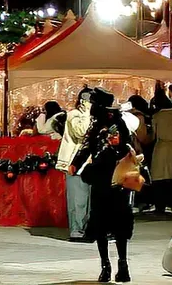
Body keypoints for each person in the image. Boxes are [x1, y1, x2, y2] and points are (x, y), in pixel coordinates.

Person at [85, 124, 137, 283]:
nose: (112, 138)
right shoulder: (121, 151)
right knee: (107, 232)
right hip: (110, 197)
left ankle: (119, 266)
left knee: (115, 233)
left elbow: (89, 174)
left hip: (111, 197)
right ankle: (109, 266)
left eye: (115, 136)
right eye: (110, 136)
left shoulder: (111, 152)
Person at [56, 88, 93, 241]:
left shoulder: (94, 117)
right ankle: (76, 230)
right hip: (75, 163)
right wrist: (86, 112)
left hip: (91, 163)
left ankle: (88, 229)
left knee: (90, 200)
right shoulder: (74, 115)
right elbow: (81, 132)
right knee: (78, 200)